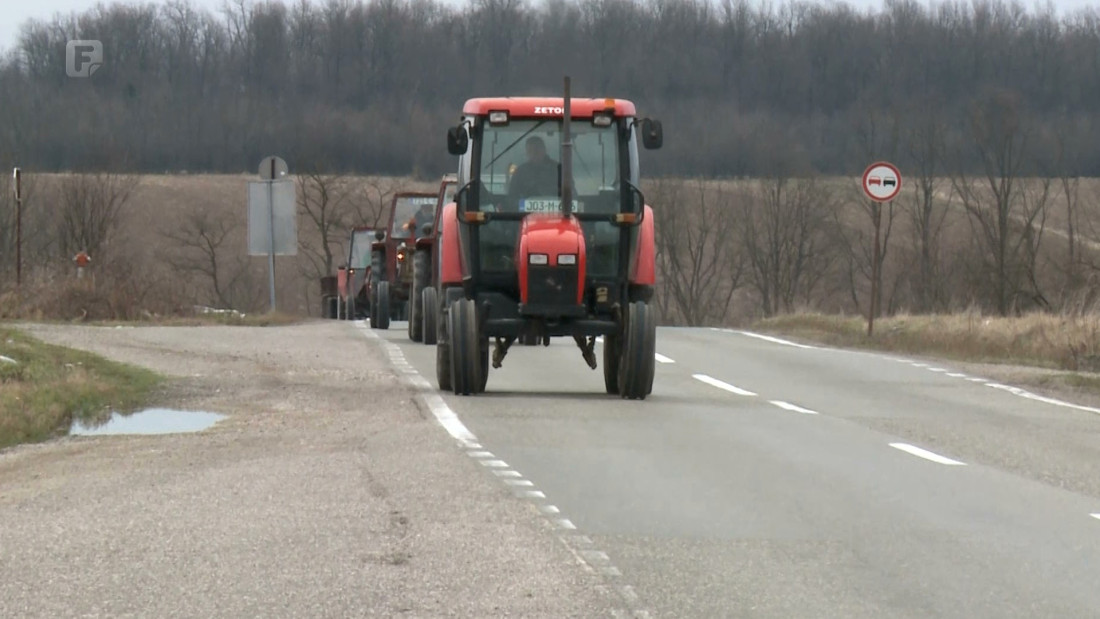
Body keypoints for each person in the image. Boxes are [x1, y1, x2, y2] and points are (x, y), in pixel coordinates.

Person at [506, 136, 560, 208]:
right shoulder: (520, 172)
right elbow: (512, 198)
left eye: (536, 150)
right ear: (526, 153)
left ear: (544, 150)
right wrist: (525, 205)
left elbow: (572, 195)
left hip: (557, 215)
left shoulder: (559, 170)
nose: (533, 154)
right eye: (529, 151)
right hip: (523, 215)